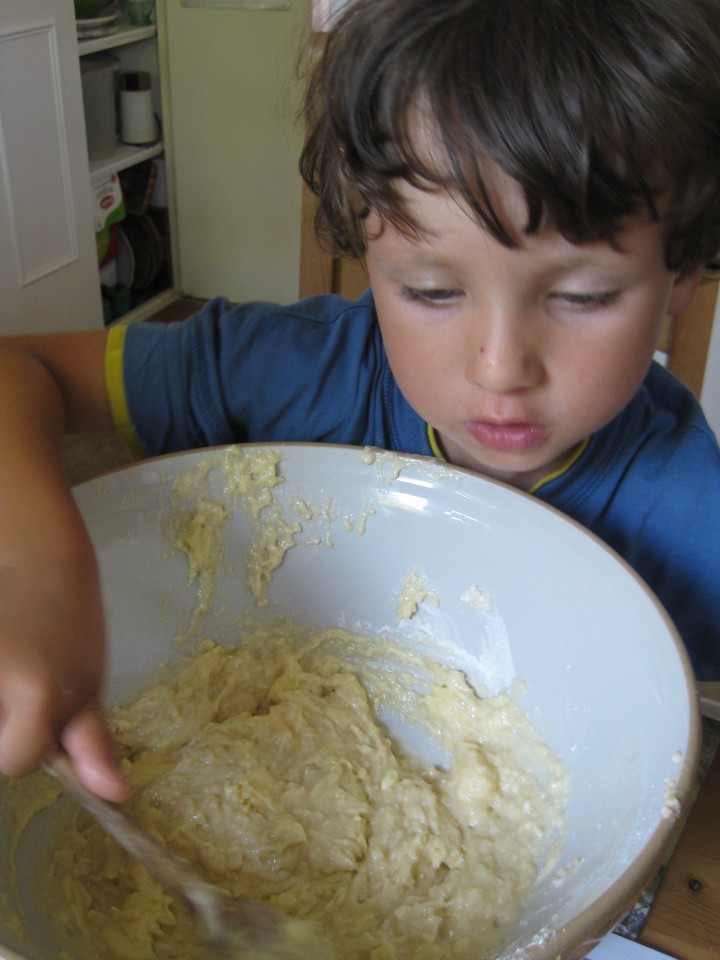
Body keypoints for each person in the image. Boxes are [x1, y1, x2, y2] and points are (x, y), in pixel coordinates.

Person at [1, 0, 719, 800]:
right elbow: (18, 368)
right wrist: (33, 564)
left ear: (680, 273)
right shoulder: (297, 372)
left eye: (583, 296)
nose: (499, 368)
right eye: (432, 290)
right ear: (363, 244)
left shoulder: (695, 520)